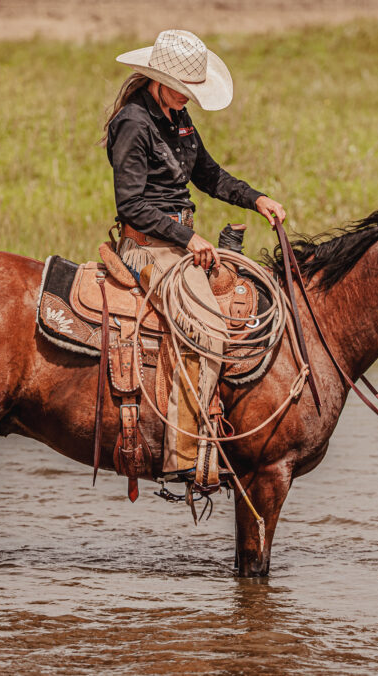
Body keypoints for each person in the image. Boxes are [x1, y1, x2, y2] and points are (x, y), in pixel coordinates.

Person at [103, 29, 285, 478]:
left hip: (180, 242)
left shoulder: (178, 118)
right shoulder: (132, 123)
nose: (189, 98)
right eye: (184, 90)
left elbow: (208, 175)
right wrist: (188, 240)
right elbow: (132, 205)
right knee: (207, 331)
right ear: (158, 80)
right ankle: (183, 455)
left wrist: (255, 198)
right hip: (146, 247)